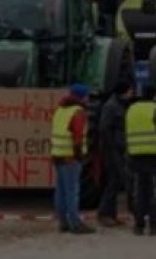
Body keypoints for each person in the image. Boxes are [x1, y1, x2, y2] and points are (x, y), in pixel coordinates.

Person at [126, 84, 156, 236]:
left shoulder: (131, 110)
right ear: (155, 96)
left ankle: (138, 226)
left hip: (135, 156)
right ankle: (155, 226)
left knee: (139, 192)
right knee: (155, 193)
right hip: (155, 157)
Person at [50, 83, 95, 234]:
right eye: (87, 95)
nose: (89, 98)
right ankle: (75, 223)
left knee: (61, 190)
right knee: (72, 191)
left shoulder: (60, 110)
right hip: (70, 157)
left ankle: (63, 222)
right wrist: (79, 156)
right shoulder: (78, 112)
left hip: (58, 154)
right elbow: (77, 137)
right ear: (82, 96)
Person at [97, 80, 134, 227]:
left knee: (117, 181)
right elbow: (105, 128)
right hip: (112, 150)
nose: (132, 93)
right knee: (113, 181)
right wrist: (112, 146)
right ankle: (104, 214)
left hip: (118, 149)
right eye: (130, 91)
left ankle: (112, 214)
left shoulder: (119, 105)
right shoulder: (111, 107)